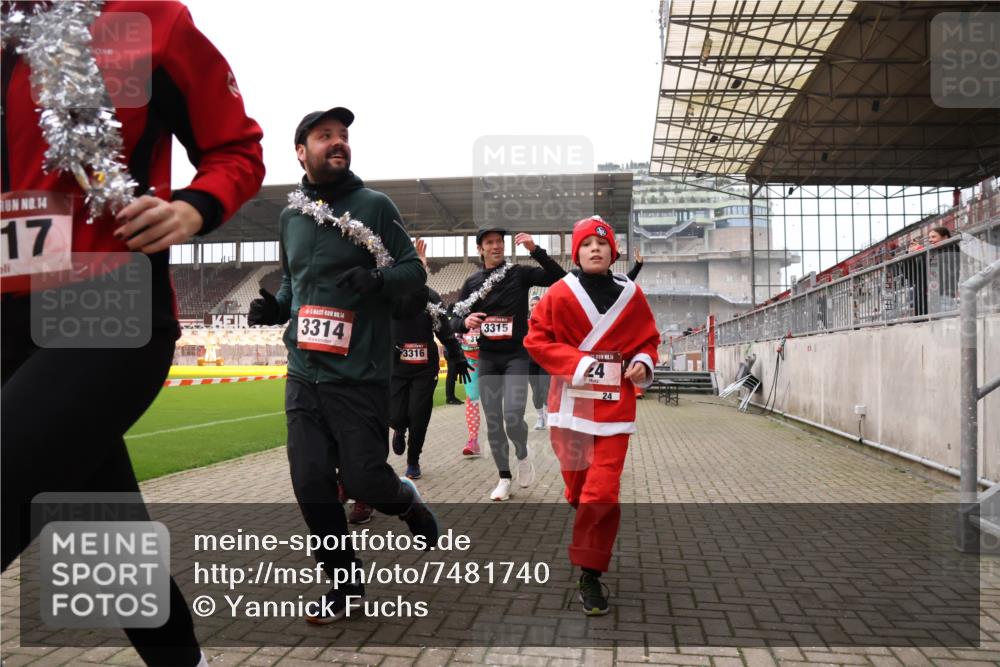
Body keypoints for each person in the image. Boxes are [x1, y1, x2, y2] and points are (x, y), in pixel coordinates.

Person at [1, 2, 265, 665]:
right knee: (104, 540)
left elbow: (235, 146)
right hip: (5, 316)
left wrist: (192, 208)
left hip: (107, 304)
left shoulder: (152, 20)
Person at [248, 106, 438, 623]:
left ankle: (405, 500)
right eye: (325, 135)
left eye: (343, 136)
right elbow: (294, 283)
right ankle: (345, 584)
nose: (338, 142)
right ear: (300, 150)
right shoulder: (290, 215)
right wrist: (276, 307)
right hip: (303, 373)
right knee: (310, 482)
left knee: (364, 482)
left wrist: (376, 281)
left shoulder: (374, 206)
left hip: (359, 376)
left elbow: (412, 273)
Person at [524, 215, 660, 617]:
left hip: (615, 409)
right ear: (577, 253)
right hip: (569, 406)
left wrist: (641, 362)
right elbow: (536, 338)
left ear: (613, 251)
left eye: (602, 243)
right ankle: (576, 497)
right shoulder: (559, 293)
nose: (595, 249)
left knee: (602, 493)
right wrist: (579, 364)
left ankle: (590, 572)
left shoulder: (632, 294)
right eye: (586, 245)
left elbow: (648, 340)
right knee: (578, 486)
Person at [450, 228, 566, 501]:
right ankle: (504, 477)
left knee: (513, 416)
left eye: (499, 242)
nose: (496, 246)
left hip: (516, 355)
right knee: (493, 422)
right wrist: (464, 323)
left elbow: (558, 278)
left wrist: (535, 250)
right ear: (480, 249)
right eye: (489, 242)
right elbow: (453, 318)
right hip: (488, 358)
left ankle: (523, 456)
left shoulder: (519, 273)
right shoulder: (472, 281)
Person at [389, 239, 472, 480]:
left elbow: (444, 330)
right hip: (395, 366)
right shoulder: (390, 297)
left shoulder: (432, 298)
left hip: (424, 369)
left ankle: (413, 460)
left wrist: (458, 355)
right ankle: (398, 427)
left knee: (419, 415)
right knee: (395, 415)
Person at [527, 295, 551, 429]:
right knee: (536, 392)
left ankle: (547, 417)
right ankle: (540, 418)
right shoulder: (524, 323)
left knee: (545, 389)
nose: (534, 307)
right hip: (530, 362)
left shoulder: (548, 322)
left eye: (537, 304)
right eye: (532, 305)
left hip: (544, 361)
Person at [459, 326, 484, 457]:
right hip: (470, 361)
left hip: (493, 358)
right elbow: (454, 326)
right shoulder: (462, 307)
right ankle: (473, 441)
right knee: (472, 398)